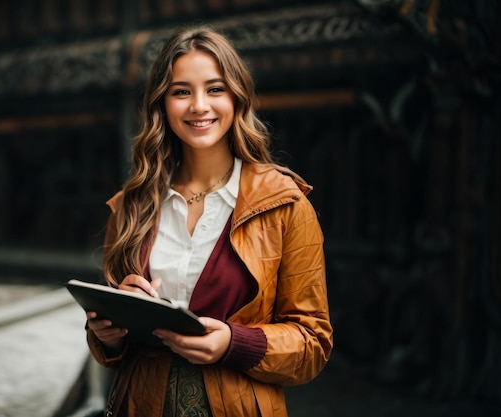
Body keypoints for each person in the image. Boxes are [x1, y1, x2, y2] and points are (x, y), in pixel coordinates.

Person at [85, 25, 333, 417]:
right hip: (140, 405)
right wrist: (108, 333)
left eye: (215, 89)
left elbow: (313, 342)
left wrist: (234, 343)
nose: (199, 105)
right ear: (162, 104)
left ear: (237, 98)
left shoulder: (284, 203)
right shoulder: (132, 205)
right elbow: (111, 353)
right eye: (181, 91)